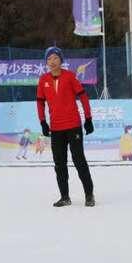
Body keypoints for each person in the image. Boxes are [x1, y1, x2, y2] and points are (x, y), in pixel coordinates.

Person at [36, 46, 95, 207]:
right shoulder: (43, 80)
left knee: (79, 160)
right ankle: (65, 196)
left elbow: (83, 97)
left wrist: (88, 118)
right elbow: (40, 103)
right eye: (49, 59)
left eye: (55, 58)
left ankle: (89, 195)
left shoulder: (70, 76)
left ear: (61, 60)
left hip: (73, 126)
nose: (52, 61)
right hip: (56, 128)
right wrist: (43, 121)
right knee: (59, 163)